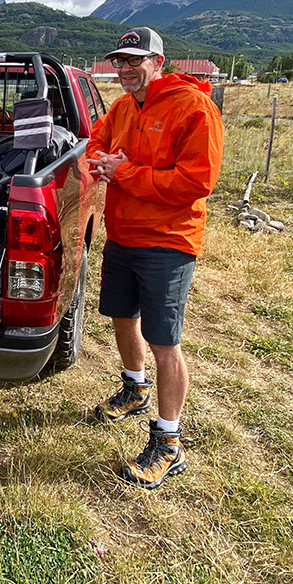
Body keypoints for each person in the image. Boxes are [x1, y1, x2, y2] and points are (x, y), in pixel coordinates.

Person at [86, 27, 223, 490]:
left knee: (164, 340)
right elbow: (95, 144)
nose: (125, 68)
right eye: (120, 61)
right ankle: (134, 386)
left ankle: (169, 442)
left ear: (158, 62)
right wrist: (103, 162)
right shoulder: (123, 107)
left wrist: (126, 172)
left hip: (168, 241)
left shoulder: (194, 107)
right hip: (123, 234)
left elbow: (196, 181)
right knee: (122, 316)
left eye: (135, 60)